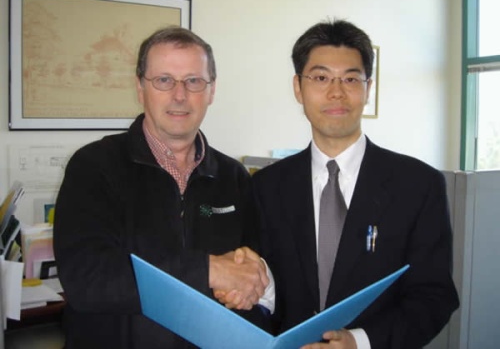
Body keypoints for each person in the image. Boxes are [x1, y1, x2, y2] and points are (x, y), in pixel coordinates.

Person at [53, 26, 273, 349]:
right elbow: (87, 280)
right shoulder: (93, 167)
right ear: (140, 88)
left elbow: (251, 275)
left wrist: (250, 287)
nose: (180, 95)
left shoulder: (235, 178)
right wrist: (208, 271)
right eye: (164, 80)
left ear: (211, 91)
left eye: (193, 81)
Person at [252, 19, 459, 349]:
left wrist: (361, 342)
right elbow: (261, 291)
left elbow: (434, 297)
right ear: (298, 87)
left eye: (350, 78)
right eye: (321, 78)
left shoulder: (419, 186)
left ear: (368, 87)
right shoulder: (265, 187)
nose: (336, 92)